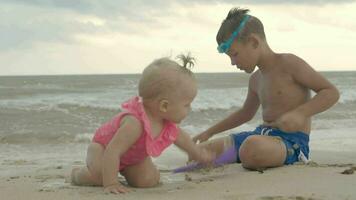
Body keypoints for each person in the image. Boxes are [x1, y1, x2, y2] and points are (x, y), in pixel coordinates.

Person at [192, 8, 340, 170]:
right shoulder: (255, 79)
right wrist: (210, 132)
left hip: (291, 142)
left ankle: (241, 156)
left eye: (234, 54)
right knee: (200, 153)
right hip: (260, 135)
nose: (233, 63)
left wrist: (301, 113)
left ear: (254, 42)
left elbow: (330, 92)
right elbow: (245, 113)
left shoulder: (289, 63)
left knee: (252, 148)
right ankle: (239, 155)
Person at [71, 54, 215, 194]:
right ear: (164, 106)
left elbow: (183, 140)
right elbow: (112, 151)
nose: (189, 109)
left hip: (131, 159)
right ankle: (77, 174)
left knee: (146, 181)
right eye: (186, 105)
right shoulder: (135, 123)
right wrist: (111, 183)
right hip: (103, 150)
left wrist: (198, 154)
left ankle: (135, 173)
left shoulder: (167, 124)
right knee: (99, 176)